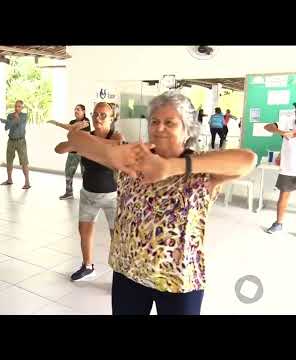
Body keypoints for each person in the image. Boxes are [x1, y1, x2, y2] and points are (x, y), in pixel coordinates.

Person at [64, 91, 256, 315]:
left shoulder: (201, 167)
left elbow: (248, 160)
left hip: (178, 279)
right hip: (129, 271)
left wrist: (172, 167)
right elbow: (75, 141)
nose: (159, 128)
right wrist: (111, 153)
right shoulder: (133, 158)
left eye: (170, 122)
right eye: (154, 121)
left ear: (187, 129)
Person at [55, 102, 124, 281]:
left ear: (112, 118)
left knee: (116, 236)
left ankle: (120, 274)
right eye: (95, 114)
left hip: (113, 197)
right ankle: (87, 266)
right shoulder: (85, 137)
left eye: (103, 115)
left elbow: (116, 144)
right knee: (84, 231)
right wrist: (75, 136)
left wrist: (83, 140)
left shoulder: (115, 135)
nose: (98, 118)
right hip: (88, 194)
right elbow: (59, 149)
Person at [264, 106, 296, 234]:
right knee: (283, 195)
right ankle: (278, 224)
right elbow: (268, 127)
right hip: (289, 167)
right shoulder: (288, 119)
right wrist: (280, 132)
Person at [48, 104, 91, 200]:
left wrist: (57, 123)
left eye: (78, 109)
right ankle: (69, 192)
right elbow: (71, 128)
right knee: (68, 172)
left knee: (86, 174)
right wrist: (72, 129)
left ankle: (87, 194)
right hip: (72, 151)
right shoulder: (73, 122)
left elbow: (70, 128)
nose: (76, 111)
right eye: (75, 109)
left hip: (84, 152)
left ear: (84, 111)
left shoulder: (86, 122)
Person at [0, 100, 31, 189]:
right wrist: (7, 120)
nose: (17, 108)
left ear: (22, 108)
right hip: (11, 141)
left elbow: (20, 124)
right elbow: (7, 128)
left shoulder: (24, 116)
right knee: (9, 161)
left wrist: (3, 120)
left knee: (24, 162)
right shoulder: (10, 115)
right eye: (16, 106)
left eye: (19, 106)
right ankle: (9, 180)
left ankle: (27, 183)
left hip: (21, 142)